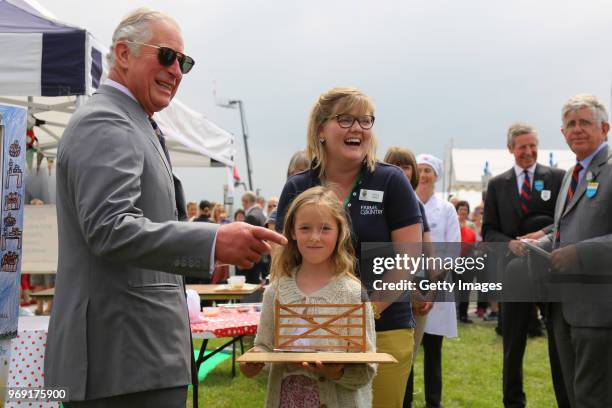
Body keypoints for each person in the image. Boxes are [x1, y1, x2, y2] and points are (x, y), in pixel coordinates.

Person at [43, 8, 286, 407]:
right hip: (119, 365)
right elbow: (110, 227)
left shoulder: (134, 121)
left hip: (134, 359)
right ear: (123, 54)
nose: (176, 71)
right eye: (167, 56)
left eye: (184, 62)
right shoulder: (106, 121)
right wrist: (213, 241)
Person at [276, 87, 422, 408]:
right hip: (312, 334)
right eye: (345, 119)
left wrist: (365, 314)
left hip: (384, 329)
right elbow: (285, 263)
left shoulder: (390, 181)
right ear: (321, 130)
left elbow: (409, 259)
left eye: (365, 121)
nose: (358, 128)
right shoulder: (298, 186)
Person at [240, 187, 376, 407]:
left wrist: (337, 372)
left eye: (325, 229)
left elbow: (367, 369)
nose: (314, 237)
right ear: (292, 231)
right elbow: (265, 347)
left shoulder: (352, 292)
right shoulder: (276, 290)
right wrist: (254, 361)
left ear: (340, 232)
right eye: (305, 228)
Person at [533, 93, 612, 407]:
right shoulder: (571, 174)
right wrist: (538, 244)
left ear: (605, 128)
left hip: (599, 312)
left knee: (594, 398)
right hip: (564, 308)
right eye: (570, 124)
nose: (577, 129)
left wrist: (581, 253)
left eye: (584, 123)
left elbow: (580, 243)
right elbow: (567, 230)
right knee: (571, 395)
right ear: (563, 133)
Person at [482, 122, 567, 408]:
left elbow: (566, 220)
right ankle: (513, 402)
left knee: (558, 341)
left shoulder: (557, 178)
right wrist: (509, 243)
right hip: (514, 271)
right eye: (522, 147)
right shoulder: (497, 185)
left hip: (551, 269)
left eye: (533, 146)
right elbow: (489, 230)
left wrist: (542, 236)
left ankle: (565, 399)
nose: (528, 152)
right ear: (510, 149)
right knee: (513, 342)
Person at [382, 146, 434, 408]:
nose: (400, 171)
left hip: (418, 291)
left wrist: (430, 288)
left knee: (407, 360)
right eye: (394, 166)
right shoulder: (380, 203)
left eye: (405, 166)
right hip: (392, 291)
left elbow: (427, 251)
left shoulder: (417, 205)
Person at [412, 153, 460, 408]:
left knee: (433, 351)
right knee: (406, 351)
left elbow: (452, 249)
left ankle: (434, 402)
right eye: (419, 169)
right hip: (407, 282)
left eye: (428, 170)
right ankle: (403, 400)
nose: (424, 174)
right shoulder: (405, 203)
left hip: (436, 284)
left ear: (436, 176)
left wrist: (433, 281)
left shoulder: (447, 209)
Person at [239, 191, 269, 283]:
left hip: (253, 263)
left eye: (242, 202)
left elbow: (247, 242)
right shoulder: (261, 214)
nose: (242, 205)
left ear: (246, 201)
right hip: (263, 260)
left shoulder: (251, 216)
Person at [455, 200, 477, 324]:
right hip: (454, 260)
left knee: (465, 288)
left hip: (468, 260)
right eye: (460, 209)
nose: (463, 211)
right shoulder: (452, 223)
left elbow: (475, 241)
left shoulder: (471, 226)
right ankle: (454, 313)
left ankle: (463, 314)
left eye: (465, 209)